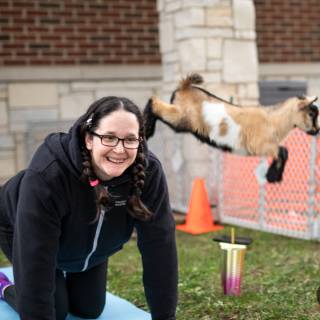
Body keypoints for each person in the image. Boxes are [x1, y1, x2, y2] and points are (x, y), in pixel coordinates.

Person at [0, 96, 178, 320]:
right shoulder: (49, 174)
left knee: (89, 309)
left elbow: (160, 248)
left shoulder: (148, 173)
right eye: (109, 137)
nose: (120, 150)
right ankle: (5, 288)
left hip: (85, 239)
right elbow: (35, 260)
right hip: (21, 228)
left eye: (130, 139)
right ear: (89, 138)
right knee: (55, 311)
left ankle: (65, 282)